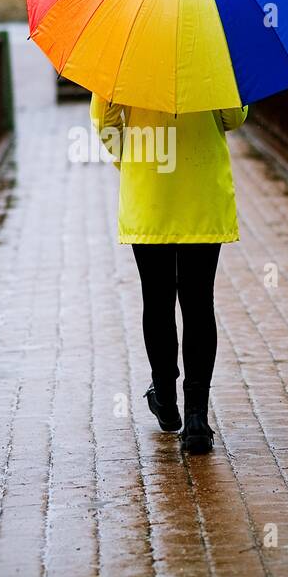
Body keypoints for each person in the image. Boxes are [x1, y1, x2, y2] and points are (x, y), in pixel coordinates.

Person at [90, 95, 248, 455]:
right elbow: (233, 117)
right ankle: (196, 418)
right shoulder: (214, 43)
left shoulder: (123, 46)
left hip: (150, 190)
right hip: (202, 190)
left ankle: (163, 395)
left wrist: (130, 163)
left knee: (157, 298)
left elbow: (104, 121)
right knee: (198, 302)